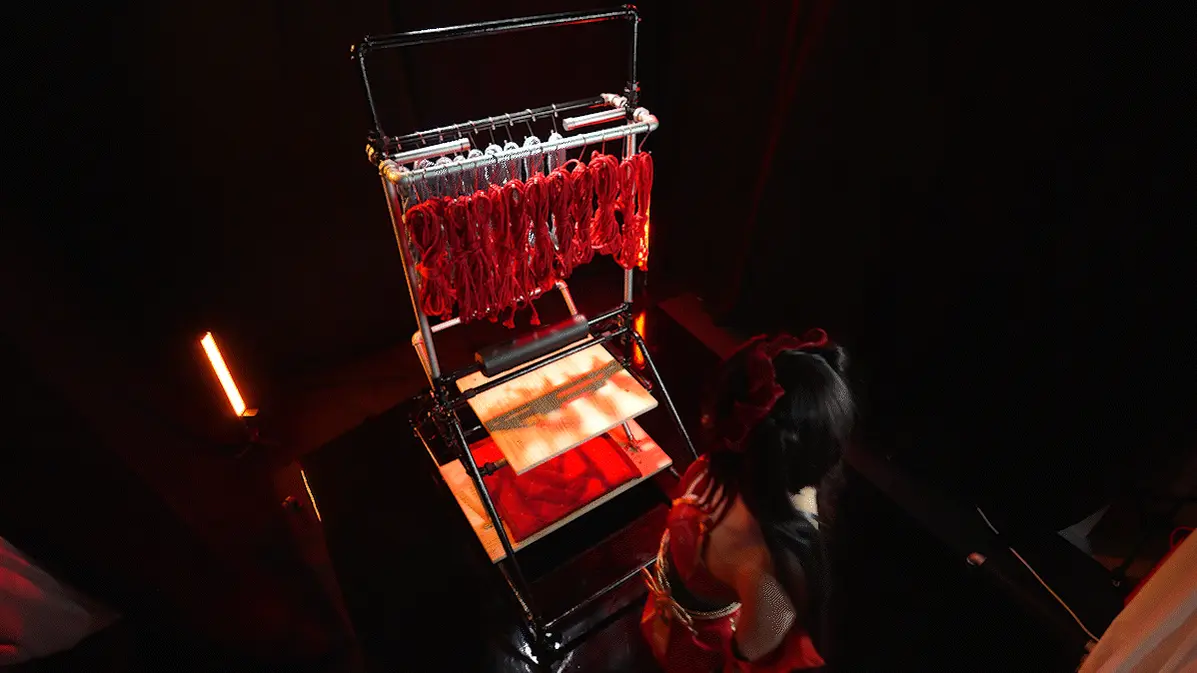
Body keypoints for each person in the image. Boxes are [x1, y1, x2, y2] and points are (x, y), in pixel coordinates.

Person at [641, 329, 853, 673]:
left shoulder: (770, 573)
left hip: (700, 646)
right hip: (675, 612)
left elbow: (748, 652)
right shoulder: (723, 469)